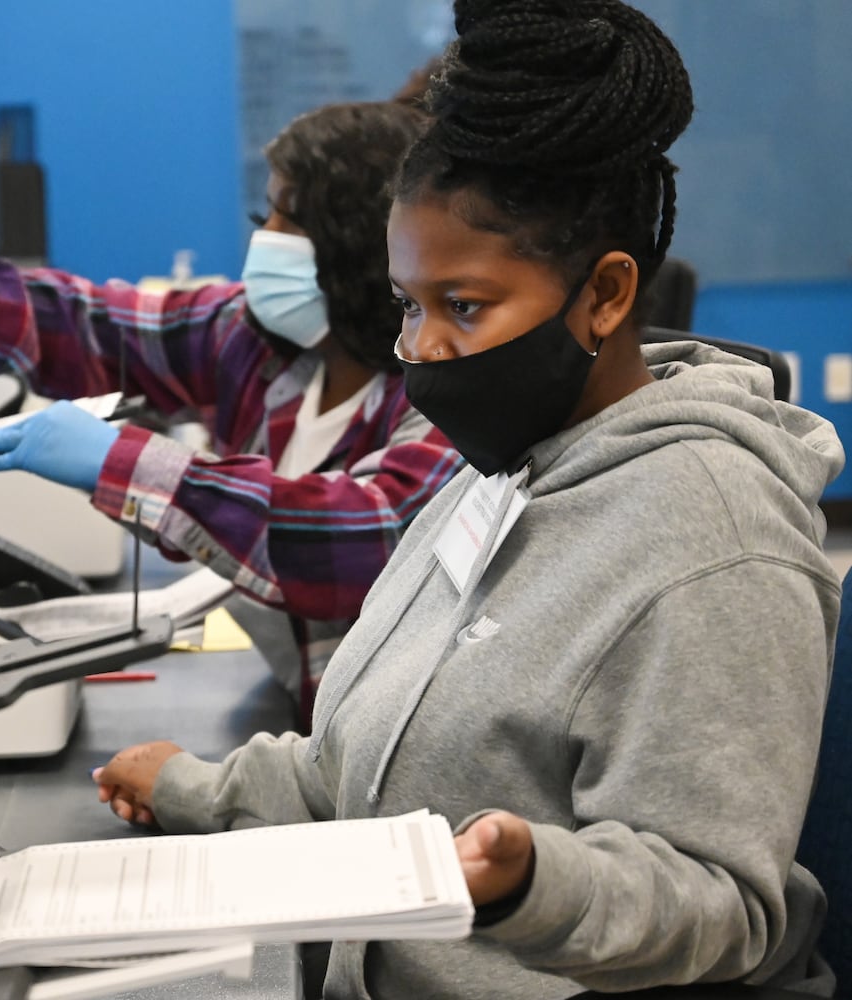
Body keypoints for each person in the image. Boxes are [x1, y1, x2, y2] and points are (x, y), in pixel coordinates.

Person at [89, 1, 846, 997]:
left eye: (465, 306)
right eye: (410, 304)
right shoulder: (491, 472)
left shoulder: (714, 538)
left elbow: (719, 904)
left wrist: (531, 882)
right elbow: (366, 766)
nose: (422, 349)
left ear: (606, 295)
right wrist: (195, 787)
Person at [0, 101, 462, 727]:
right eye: (266, 219)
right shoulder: (259, 344)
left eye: (290, 220)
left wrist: (132, 467)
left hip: (399, 741)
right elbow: (99, 329)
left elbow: (364, 540)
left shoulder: (448, 388)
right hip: (309, 721)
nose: (266, 241)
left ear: (358, 243)